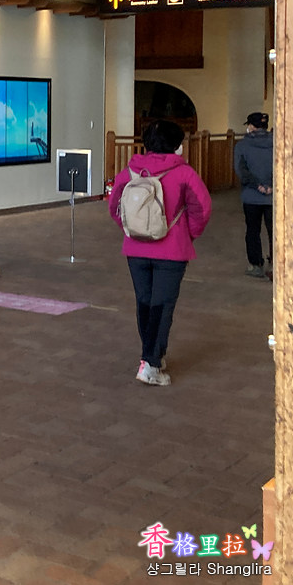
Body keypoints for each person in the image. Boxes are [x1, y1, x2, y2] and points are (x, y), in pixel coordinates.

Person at [108, 120, 212, 387]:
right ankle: (151, 364)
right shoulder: (184, 173)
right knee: (162, 306)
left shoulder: (130, 171)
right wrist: (189, 234)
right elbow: (202, 208)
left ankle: (152, 355)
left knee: (144, 303)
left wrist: (131, 230)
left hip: (135, 249)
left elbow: (115, 205)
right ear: (177, 145)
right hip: (172, 250)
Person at [233, 110, 273, 280]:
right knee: (275, 232)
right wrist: (272, 186)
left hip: (251, 196)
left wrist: (258, 186)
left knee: (253, 230)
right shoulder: (278, 143)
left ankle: (256, 265)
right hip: (274, 196)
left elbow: (241, 170)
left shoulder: (242, 146)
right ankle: (276, 265)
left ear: (251, 126)